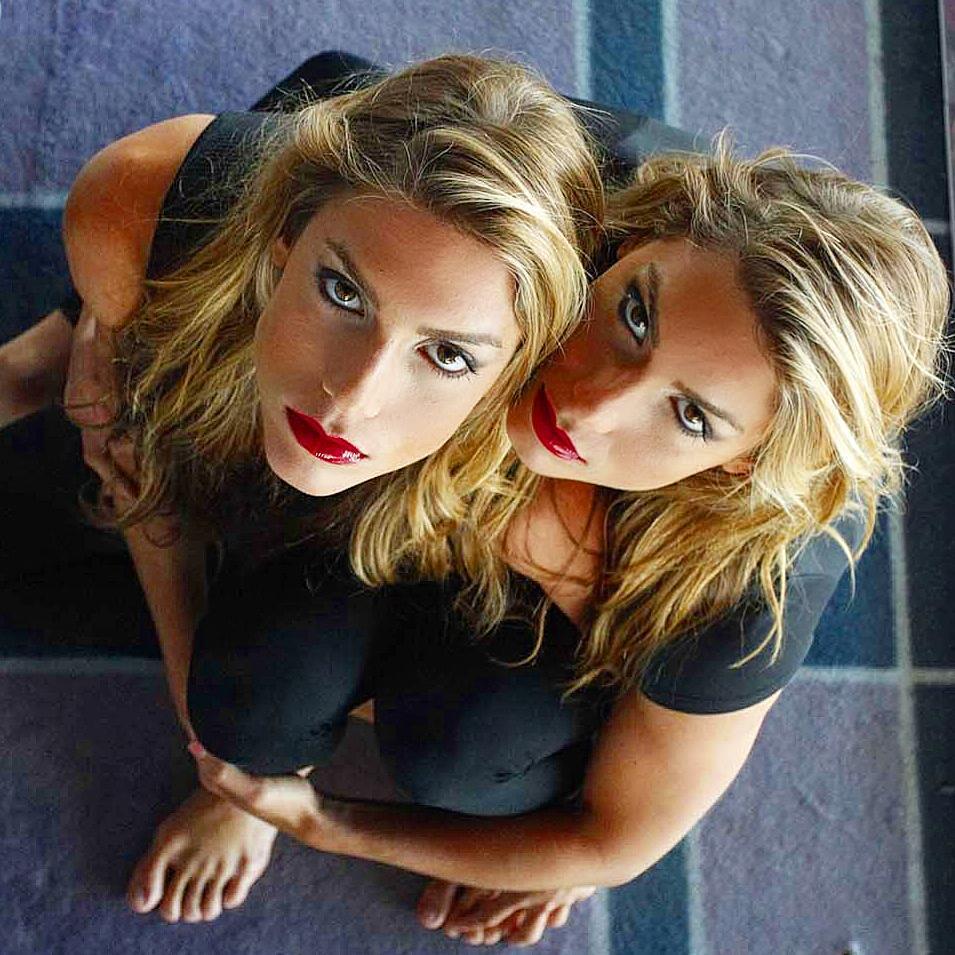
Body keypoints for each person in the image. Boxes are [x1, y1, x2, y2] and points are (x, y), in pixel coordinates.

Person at [186, 135, 949, 949]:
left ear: (744, 461)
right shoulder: (543, 196)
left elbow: (616, 842)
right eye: (633, 314)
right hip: (388, 509)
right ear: (628, 239)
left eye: (691, 415)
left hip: (549, 639)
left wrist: (327, 823)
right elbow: (265, 159)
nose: (588, 406)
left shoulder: (761, 578)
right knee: (252, 691)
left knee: (463, 750)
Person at [0, 51, 607, 934]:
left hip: (544, 424)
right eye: (341, 291)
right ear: (285, 238)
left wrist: (580, 847)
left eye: (445, 354)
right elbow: (137, 472)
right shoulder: (136, 194)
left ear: (520, 368)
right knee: (100, 376)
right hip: (294, 180)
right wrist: (226, 753)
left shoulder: (571, 468)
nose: (350, 398)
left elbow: (651, 747)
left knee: (465, 747)